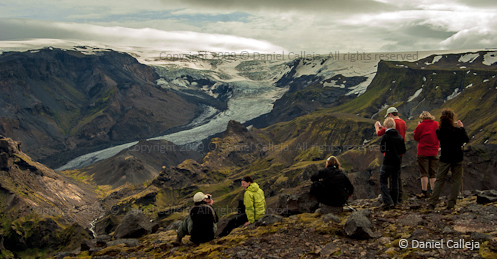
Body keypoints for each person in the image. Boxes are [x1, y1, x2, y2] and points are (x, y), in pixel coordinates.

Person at [428, 108, 469, 211]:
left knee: (439, 180)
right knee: (456, 180)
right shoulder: (458, 131)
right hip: (457, 157)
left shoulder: (439, 131)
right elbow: (466, 140)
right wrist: (462, 128)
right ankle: (451, 204)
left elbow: (441, 138)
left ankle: (432, 203)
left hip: (445, 158)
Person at [375, 107, 407, 202]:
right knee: (397, 177)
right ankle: (398, 198)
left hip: (389, 156)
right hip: (399, 154)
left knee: (388, 177)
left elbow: (379, 133)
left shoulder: (393, 125)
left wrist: (377, 127)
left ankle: (389, 199)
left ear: (390, 115)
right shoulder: (403, 123)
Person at [379, 117, 406, 210]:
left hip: (387, 162)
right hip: (397, 162)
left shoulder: (385, 137)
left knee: (382, 180)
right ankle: (395, 201)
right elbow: (403, 150)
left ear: (386, 126)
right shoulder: (400, 137)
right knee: (395, 181)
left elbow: (382, 149)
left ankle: (387, 200)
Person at [413, 111, 439, 198]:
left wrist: (418, 125)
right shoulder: (436, 124)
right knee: (433, 173)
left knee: (424, 173)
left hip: (423, 152)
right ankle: (433, 192)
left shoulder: (420, 126)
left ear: (422, 118)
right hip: (434, 151)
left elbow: (416, 137)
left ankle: (424, 192)